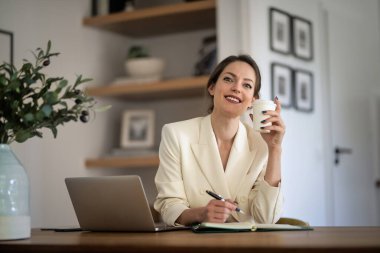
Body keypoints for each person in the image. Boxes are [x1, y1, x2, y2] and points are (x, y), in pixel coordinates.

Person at [154, 55, 285, 226]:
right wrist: (202, 214)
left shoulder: (262, 144)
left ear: (253, 100)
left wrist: (275, 148)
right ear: (212, 87)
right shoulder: (176, 134)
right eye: (229, 79)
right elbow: (168, 206)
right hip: (196, 244)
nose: (237, 88)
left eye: (246, 85)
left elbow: (266, 218)